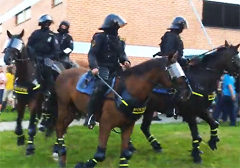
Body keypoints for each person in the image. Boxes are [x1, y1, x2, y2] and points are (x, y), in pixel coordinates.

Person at [86, 14, 131, 129]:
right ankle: (90, 115)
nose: (118, 29)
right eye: (117, 26)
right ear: (111, 26)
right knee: (101, 86)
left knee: (129, 84)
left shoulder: (119, 40)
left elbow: (122, 55)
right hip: (102, 67)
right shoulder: (99, 37)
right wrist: (94, 67)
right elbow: (92, 53)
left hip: (115, 67)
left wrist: (125, 61)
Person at [153, 16, 189, 118]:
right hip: (170, 63)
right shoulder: (170, 36)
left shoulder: (174, 36)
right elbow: (170, 53)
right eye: (182, 27)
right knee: (180, 82)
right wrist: (182, 60)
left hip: (175, 62)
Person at [27, 14, 60, 98]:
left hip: (47, 57)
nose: (46, 24)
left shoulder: (52, 35)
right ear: (41, 24)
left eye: (48, 23)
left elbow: (56, 49)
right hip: (34, 57)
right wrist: (32, 53)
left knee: (48, 68)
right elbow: (29, 45)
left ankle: (48, 89)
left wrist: (50, 57)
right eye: (45, 23)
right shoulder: (35, 33)